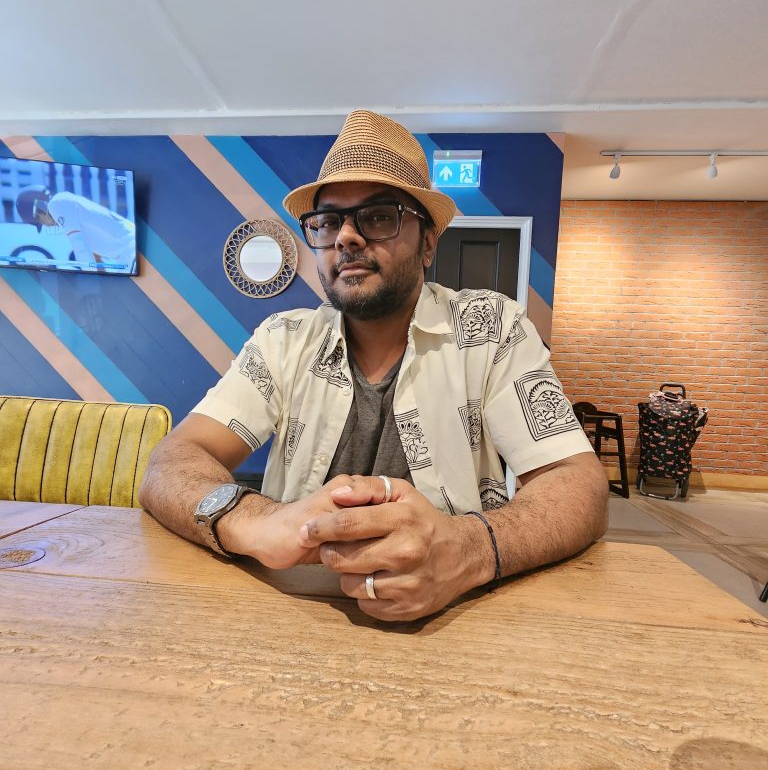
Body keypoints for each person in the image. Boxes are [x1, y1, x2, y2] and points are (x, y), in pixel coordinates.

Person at [140, 110, 607, 621]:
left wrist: (469, 549)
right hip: (290, 615)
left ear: (428, 242)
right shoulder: (283, 340)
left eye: (379, 216)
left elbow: (578, 482)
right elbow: (174, 460)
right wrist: (252, 520)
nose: (346, 237)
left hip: (457, 621)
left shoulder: (491, 330)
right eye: (327, 222)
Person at [15, 186, 135, 268]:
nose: (46, 225)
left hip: (130, 249)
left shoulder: (56, 204)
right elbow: (96, 257)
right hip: (128, 250)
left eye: (39, 220)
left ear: (40, 206)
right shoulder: (63, 203)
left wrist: (90, 278)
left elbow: (80, 246)